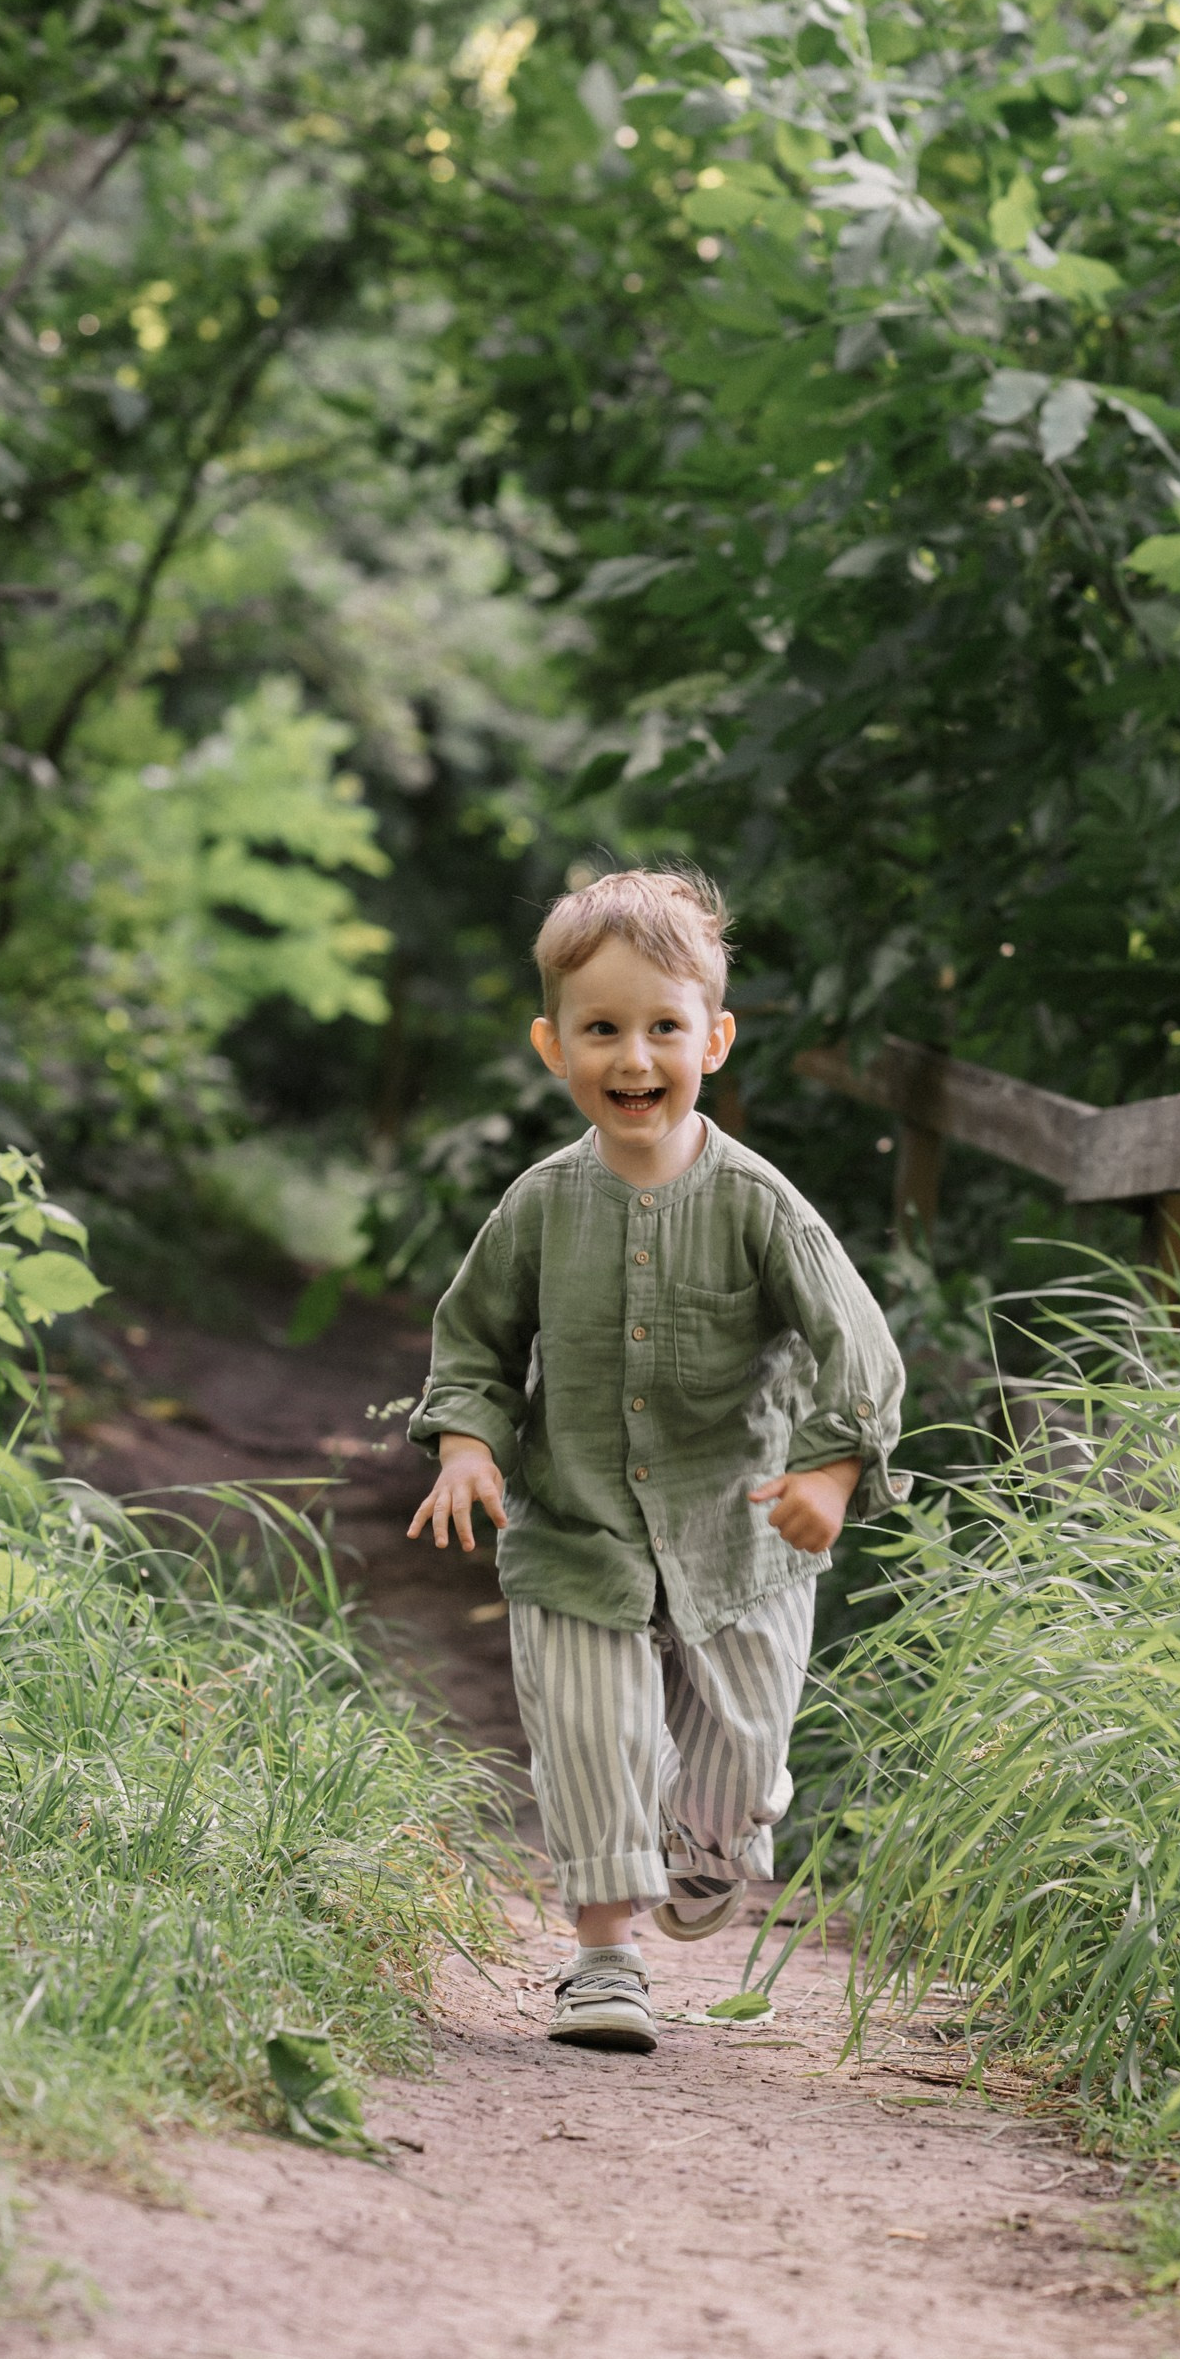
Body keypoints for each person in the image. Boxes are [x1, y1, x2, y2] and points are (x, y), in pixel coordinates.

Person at [405, 867, 907, 2054]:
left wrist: (830, 1474)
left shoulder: (760, 1203)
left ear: (713, 1040)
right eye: (601, 1029)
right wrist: (468, 1445)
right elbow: (474, 1341)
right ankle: (601, 1960)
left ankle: (716, 1835)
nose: (634, 1056)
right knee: (594, 1737)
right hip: (576, 1529)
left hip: (742, 1536)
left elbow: (859, 1343)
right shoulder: (538, 1206)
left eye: (664, 1027)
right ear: (553, 1045)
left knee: (738, 1756)